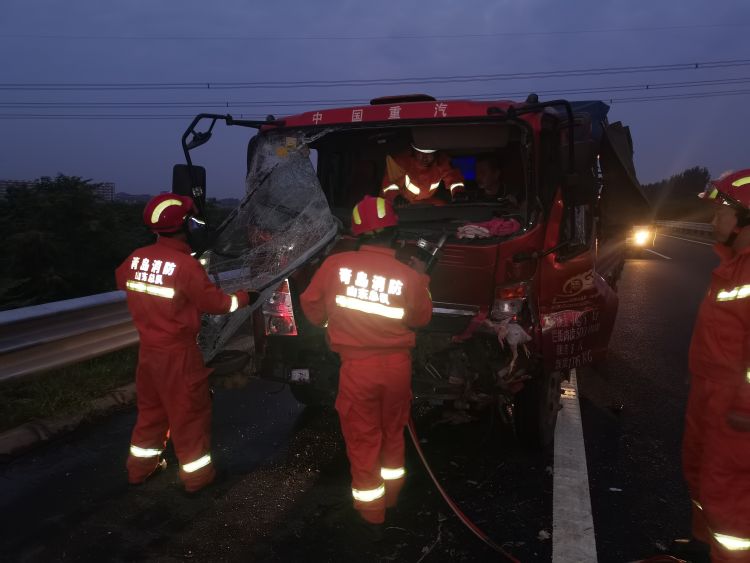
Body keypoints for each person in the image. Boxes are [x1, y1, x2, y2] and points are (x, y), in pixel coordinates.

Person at [299, 195, 433, 535]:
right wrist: (423, 281)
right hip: (397, 369)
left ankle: (371, 512)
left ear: (358, 234)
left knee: (363, 437)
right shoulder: (410, 275)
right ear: (394, 233)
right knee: (392, 432)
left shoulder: (334, 266)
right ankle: (392, 497)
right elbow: (421, 318)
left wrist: (335, 327)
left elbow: (311, 308)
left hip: (358, 369)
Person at [115, 193, 258, 493]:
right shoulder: (185, 265)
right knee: (189, 415)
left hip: (148, 354)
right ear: (186, 226)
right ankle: (197, 479)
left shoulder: (135, 258)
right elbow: (217, 304)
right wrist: (244, 298)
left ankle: (139, 470)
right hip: (178, 355)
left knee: (151, 412)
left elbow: (123, 280)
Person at [680, 169, 750, 562]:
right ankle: (705, 546)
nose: (713, 220)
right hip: (711, 395)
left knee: (730, 499)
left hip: (738, 410)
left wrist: (744, 407)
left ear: (745, 217)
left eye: (722, 210)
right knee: (702, 476)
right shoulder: (732, 265)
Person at [380, 142, 465, 204]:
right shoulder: (402, 160)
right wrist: (396, 198)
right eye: (420, 153)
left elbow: (454, 179)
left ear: (436, 154)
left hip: (427, 202)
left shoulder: (441, 161)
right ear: (413, 152)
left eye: (429, 154)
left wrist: (458, 193)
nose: (424, 158)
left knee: (442, 208)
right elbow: (390, 185)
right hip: (403, 203)